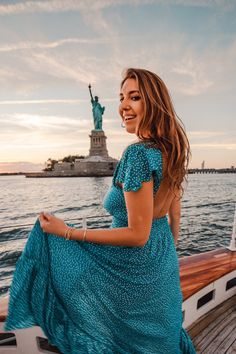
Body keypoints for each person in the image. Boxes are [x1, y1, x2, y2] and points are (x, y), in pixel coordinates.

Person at [4, 68, 196, 354]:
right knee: (155, 338)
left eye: (135, 97)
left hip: (131, 266)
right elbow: (174, 216)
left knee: (128, 341)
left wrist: (67, 232)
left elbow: (137, 234)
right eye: (121, 98)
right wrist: (167, 253)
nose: (123, 106)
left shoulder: (138, 154)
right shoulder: (172, 151)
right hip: (160, 259)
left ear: (154, 103)